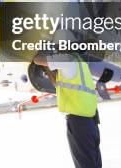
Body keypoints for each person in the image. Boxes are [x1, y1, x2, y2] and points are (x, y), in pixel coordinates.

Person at [32, 32, 101, 168]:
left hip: (79, 122)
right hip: (90, 122)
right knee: (93, 163)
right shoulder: (79, 63)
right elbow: (56, 84)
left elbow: (36, 60)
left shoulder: (66, 59)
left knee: (85, 164)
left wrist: (39, 50)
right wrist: (47, 68)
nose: (56, 48)